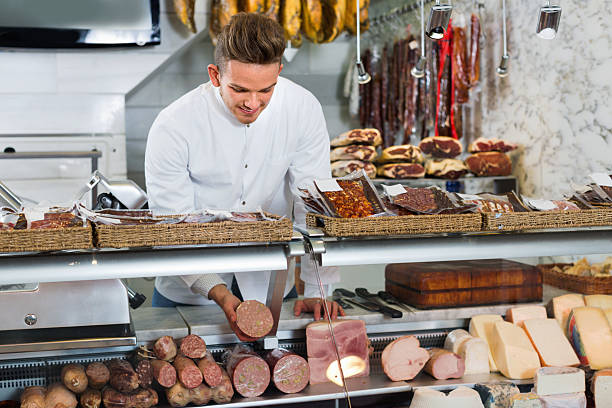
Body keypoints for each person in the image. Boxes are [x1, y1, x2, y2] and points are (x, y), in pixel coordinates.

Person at [145, 12, 344, 340]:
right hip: (189, 292)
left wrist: (318, 288)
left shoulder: (302, 109)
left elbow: (315, 203)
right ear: (214, 75)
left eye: (266, 90)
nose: (253, 103)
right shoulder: (174, 125)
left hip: (271, 284)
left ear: (279, 71)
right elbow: (172, 225)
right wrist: (220, 294)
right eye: (239, 89)